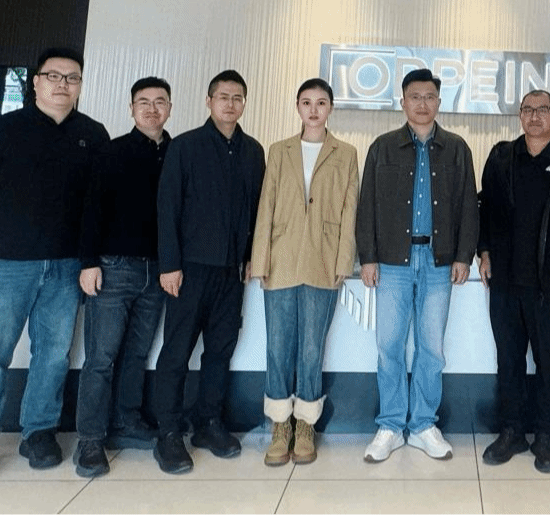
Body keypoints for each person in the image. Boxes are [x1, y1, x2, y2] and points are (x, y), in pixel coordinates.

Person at [0, 48, 109, 486]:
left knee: (54, 355)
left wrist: (90, 260)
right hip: (7, 264)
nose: (62, 84)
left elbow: (98, 204)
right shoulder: (3, 129)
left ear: (80, 85)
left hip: (66, 266)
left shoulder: (93, 134)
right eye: (53, 76)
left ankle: (38, 432)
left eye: (72, 78)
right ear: (36, 82)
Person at [355, 68, 478, 463]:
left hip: (438, 262)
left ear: (439, 102)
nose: (422, 104)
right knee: (389, 345)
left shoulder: (456, 148)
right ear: (403, 101)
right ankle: (390, 425)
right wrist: (367, 257)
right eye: (415, 97)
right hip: (392, 262)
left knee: (432, 348)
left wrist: (463, 255)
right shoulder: (383, 147)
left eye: (429, 97)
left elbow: (468, 205)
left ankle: (424, 424)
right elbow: (367, 204)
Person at [152, 70, 265, 475]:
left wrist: (251, 257)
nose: (230, 104)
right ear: (209, 101)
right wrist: (169, 264)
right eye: (223, 97)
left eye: (237, 98)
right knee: (177, 352)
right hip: (189, 270)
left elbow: (257, 210)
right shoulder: (185, 147)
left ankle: (208, 423)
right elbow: (167, 208)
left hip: (231, 273)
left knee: (219, 352)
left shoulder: (253, 151)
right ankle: (168, 432)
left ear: (244, 103)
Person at [478, 89, 550, 474]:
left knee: (549, 361)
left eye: (542, 110)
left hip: (549, 284)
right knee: (508, 359)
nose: (534, 116)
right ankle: (511, 430)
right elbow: (484, 208)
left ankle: (545, 434)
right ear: (520, 115)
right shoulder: (501, 157)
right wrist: (484, 250)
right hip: (505, 280)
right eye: (527, 109)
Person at [250, 78, 358, 467]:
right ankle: (280, 425)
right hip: (281, 258)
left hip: (323, 260)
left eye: (321, 103)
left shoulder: (346, 154)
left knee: (312, 347)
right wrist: (260, 260)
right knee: (278, 345)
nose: (314, 110)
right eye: (306, 102)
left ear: (331, 108)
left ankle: (305, 424)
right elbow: (266, 205)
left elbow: (349, 209)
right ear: (297, 107)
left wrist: (343, 261)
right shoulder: (279, 150)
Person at [72, 77, 174, 477]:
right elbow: (91, 210)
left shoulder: (177, 153)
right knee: (101, 357)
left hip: (158, 271)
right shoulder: (111, 152)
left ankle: (127, 419)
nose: (152, 109)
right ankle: (90, 439)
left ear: (170, 108)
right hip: (114, 268)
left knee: (137, 353)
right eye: (143, 102)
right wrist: (88, 262)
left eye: (160, 102)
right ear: (131, 109)